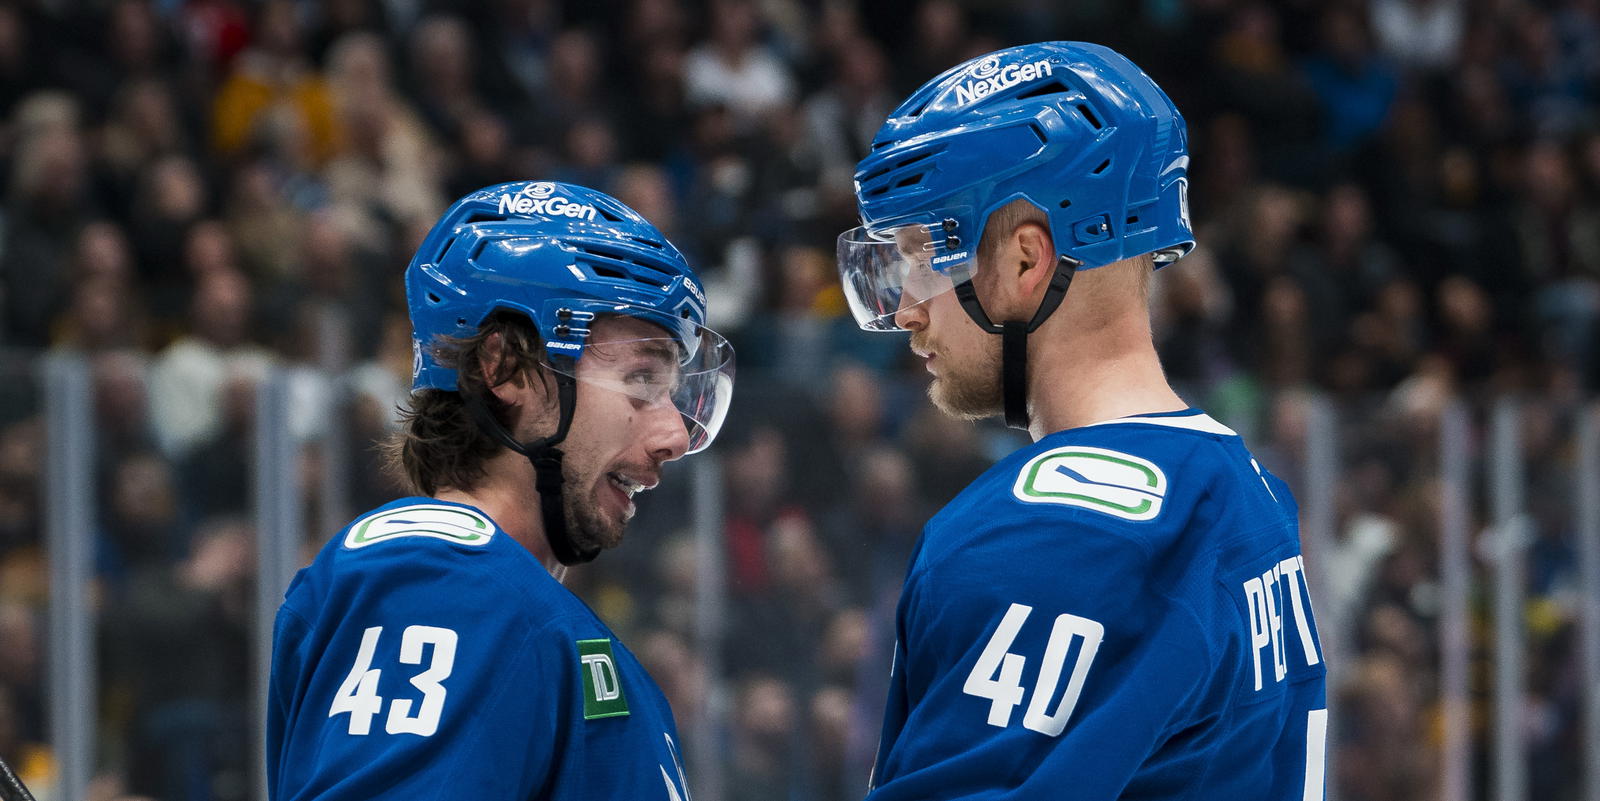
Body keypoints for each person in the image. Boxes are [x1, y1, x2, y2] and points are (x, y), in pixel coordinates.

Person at [835, 43, 1327, 799]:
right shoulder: (1252, 493)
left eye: (922, 255)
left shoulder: (1032, 538)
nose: (905, 309)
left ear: (1028, 260)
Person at [267, 180, 735, 800]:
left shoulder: (507, 603)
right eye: (641, 378)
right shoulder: (441, 585)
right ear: (508, 369)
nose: (674, 433)